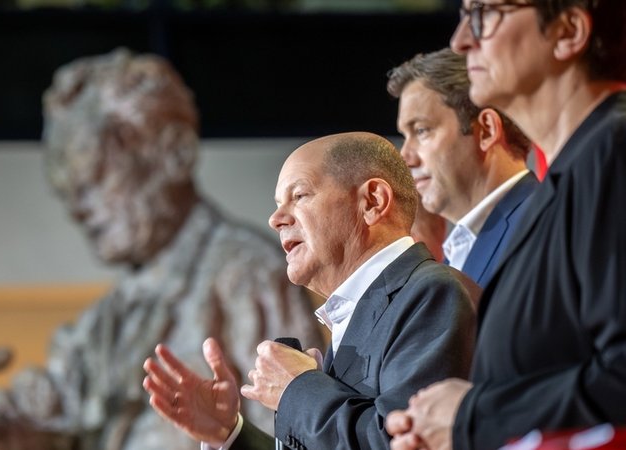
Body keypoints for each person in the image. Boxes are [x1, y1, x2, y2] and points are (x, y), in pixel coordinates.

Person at [0, 48, 322, 450]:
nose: (80, 209)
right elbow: (45, 426)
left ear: (172, 154)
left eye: (96, 178)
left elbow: (290, 431)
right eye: (69, 191)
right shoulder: (103, 323)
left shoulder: (245, 273)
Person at [386, 1, 626, 449]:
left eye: (483, 14)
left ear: (568, 31)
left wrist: (472, 414)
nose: (461, 39)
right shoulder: (567, 175)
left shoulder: (611, 151)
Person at [143, 132, 478, 449]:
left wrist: (297, 389)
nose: (275, 219)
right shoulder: (363, 310)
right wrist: (230, 435)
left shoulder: (431, 294)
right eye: (277, 203)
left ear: (372, 201)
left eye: (299, 195)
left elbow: (400, 442)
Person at [387, 47, 538, 288]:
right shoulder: (457, 250)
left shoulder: (541, 228)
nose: (405, 156)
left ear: (486, 130)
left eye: (421, 130)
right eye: (405, 135)